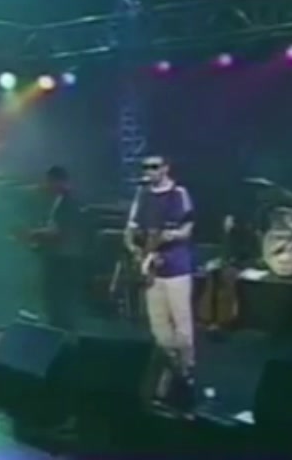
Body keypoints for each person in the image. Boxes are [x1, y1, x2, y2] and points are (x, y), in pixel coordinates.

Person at [124, 155, 197, 410]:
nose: (149, 171)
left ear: (166, 168)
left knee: (182, 327)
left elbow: (187, 229)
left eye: (154, 167)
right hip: (151, 270)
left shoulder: (179, 194)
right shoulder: (142, 195)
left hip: (176, 269)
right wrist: (135, 250)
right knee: (159, 328)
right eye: (146, 167)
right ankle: (167, 376)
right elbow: (130, 229)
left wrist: (170, 236)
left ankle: (186, 374)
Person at [25, 165, 86, 334]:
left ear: (57, 181)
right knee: (56, 301)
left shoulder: (69, 203)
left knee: (59, 301)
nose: (46, 186)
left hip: (63, 260)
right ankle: (59, 332)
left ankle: (62, 334)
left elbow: (61, 232)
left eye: (49, 182)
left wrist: (34, 234)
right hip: (61, 258)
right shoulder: (61, 201)